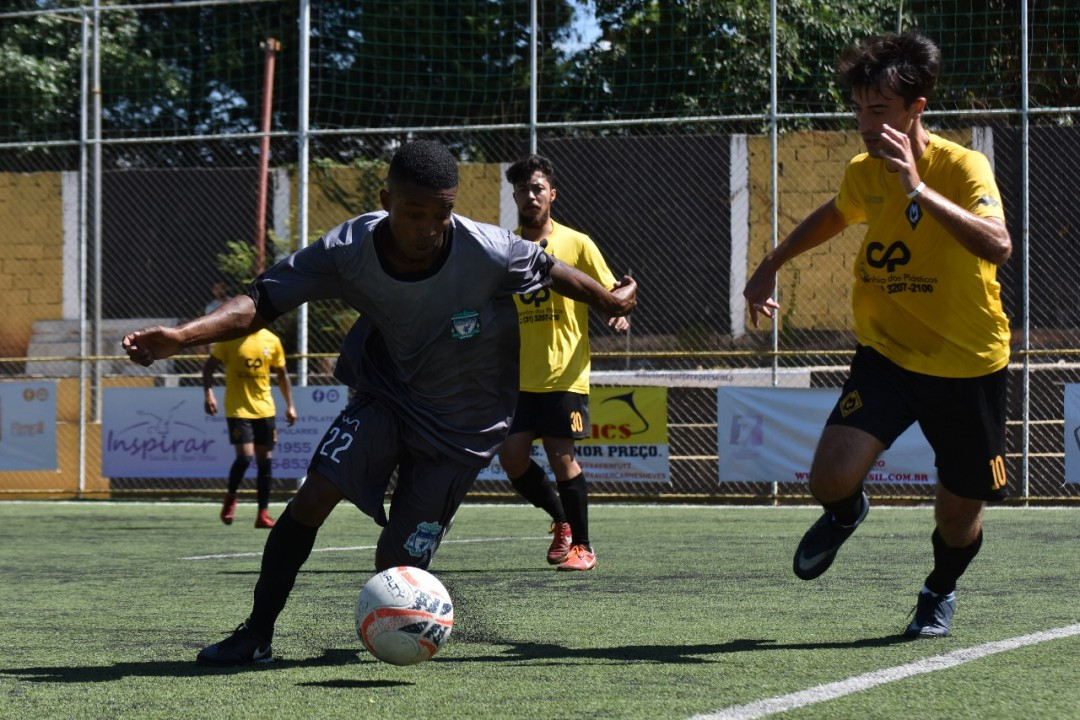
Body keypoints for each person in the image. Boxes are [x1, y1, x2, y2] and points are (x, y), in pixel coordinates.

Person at [122, 140, 636, 666]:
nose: (428, 227)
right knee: (314, 496)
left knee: (395, 562)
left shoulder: (485, 247)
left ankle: (401, 628)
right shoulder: (348, 247)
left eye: (441, 214)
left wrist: (609, 299)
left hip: (464, 427)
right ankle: (256, 635)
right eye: (414, 213)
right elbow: (260, 300)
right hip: (389, 394)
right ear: (386, 198)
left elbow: (551, 269)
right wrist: (183, 337)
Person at [743, 32, 1011, 639]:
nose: (864, 123)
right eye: (858, 109)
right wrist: (770, 263)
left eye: (878, 110)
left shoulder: (963, 166)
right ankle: (846, 512)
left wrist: (917, 187)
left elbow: (998, 245)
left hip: (968, 366)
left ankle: (937, 590)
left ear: (916, 109)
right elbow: (836, 213)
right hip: (887, 355)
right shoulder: (864, 171)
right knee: (829, 478)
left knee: (959, 516)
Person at [498, 155, 629, 572]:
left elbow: (610, 290)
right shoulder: (506, 246)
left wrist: (617, 308)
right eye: (523, 190)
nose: (531, 196)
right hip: (520, 377)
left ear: (552, 194)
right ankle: (561, 521)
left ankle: (584, 547)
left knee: (560, 456)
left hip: (564, 374)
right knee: (512, 458)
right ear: (515, 196)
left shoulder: (577, 243)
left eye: (538, 188)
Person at [203, 328, 298, 529]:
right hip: (238, 409)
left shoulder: (271, 340)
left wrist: (290, 404)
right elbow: (209, 367)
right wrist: (209, 394)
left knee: (265, 461)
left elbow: (282, 374)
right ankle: (230, 500)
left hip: (265, 409)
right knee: (245, 457)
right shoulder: (228, 339)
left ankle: (262, 514)